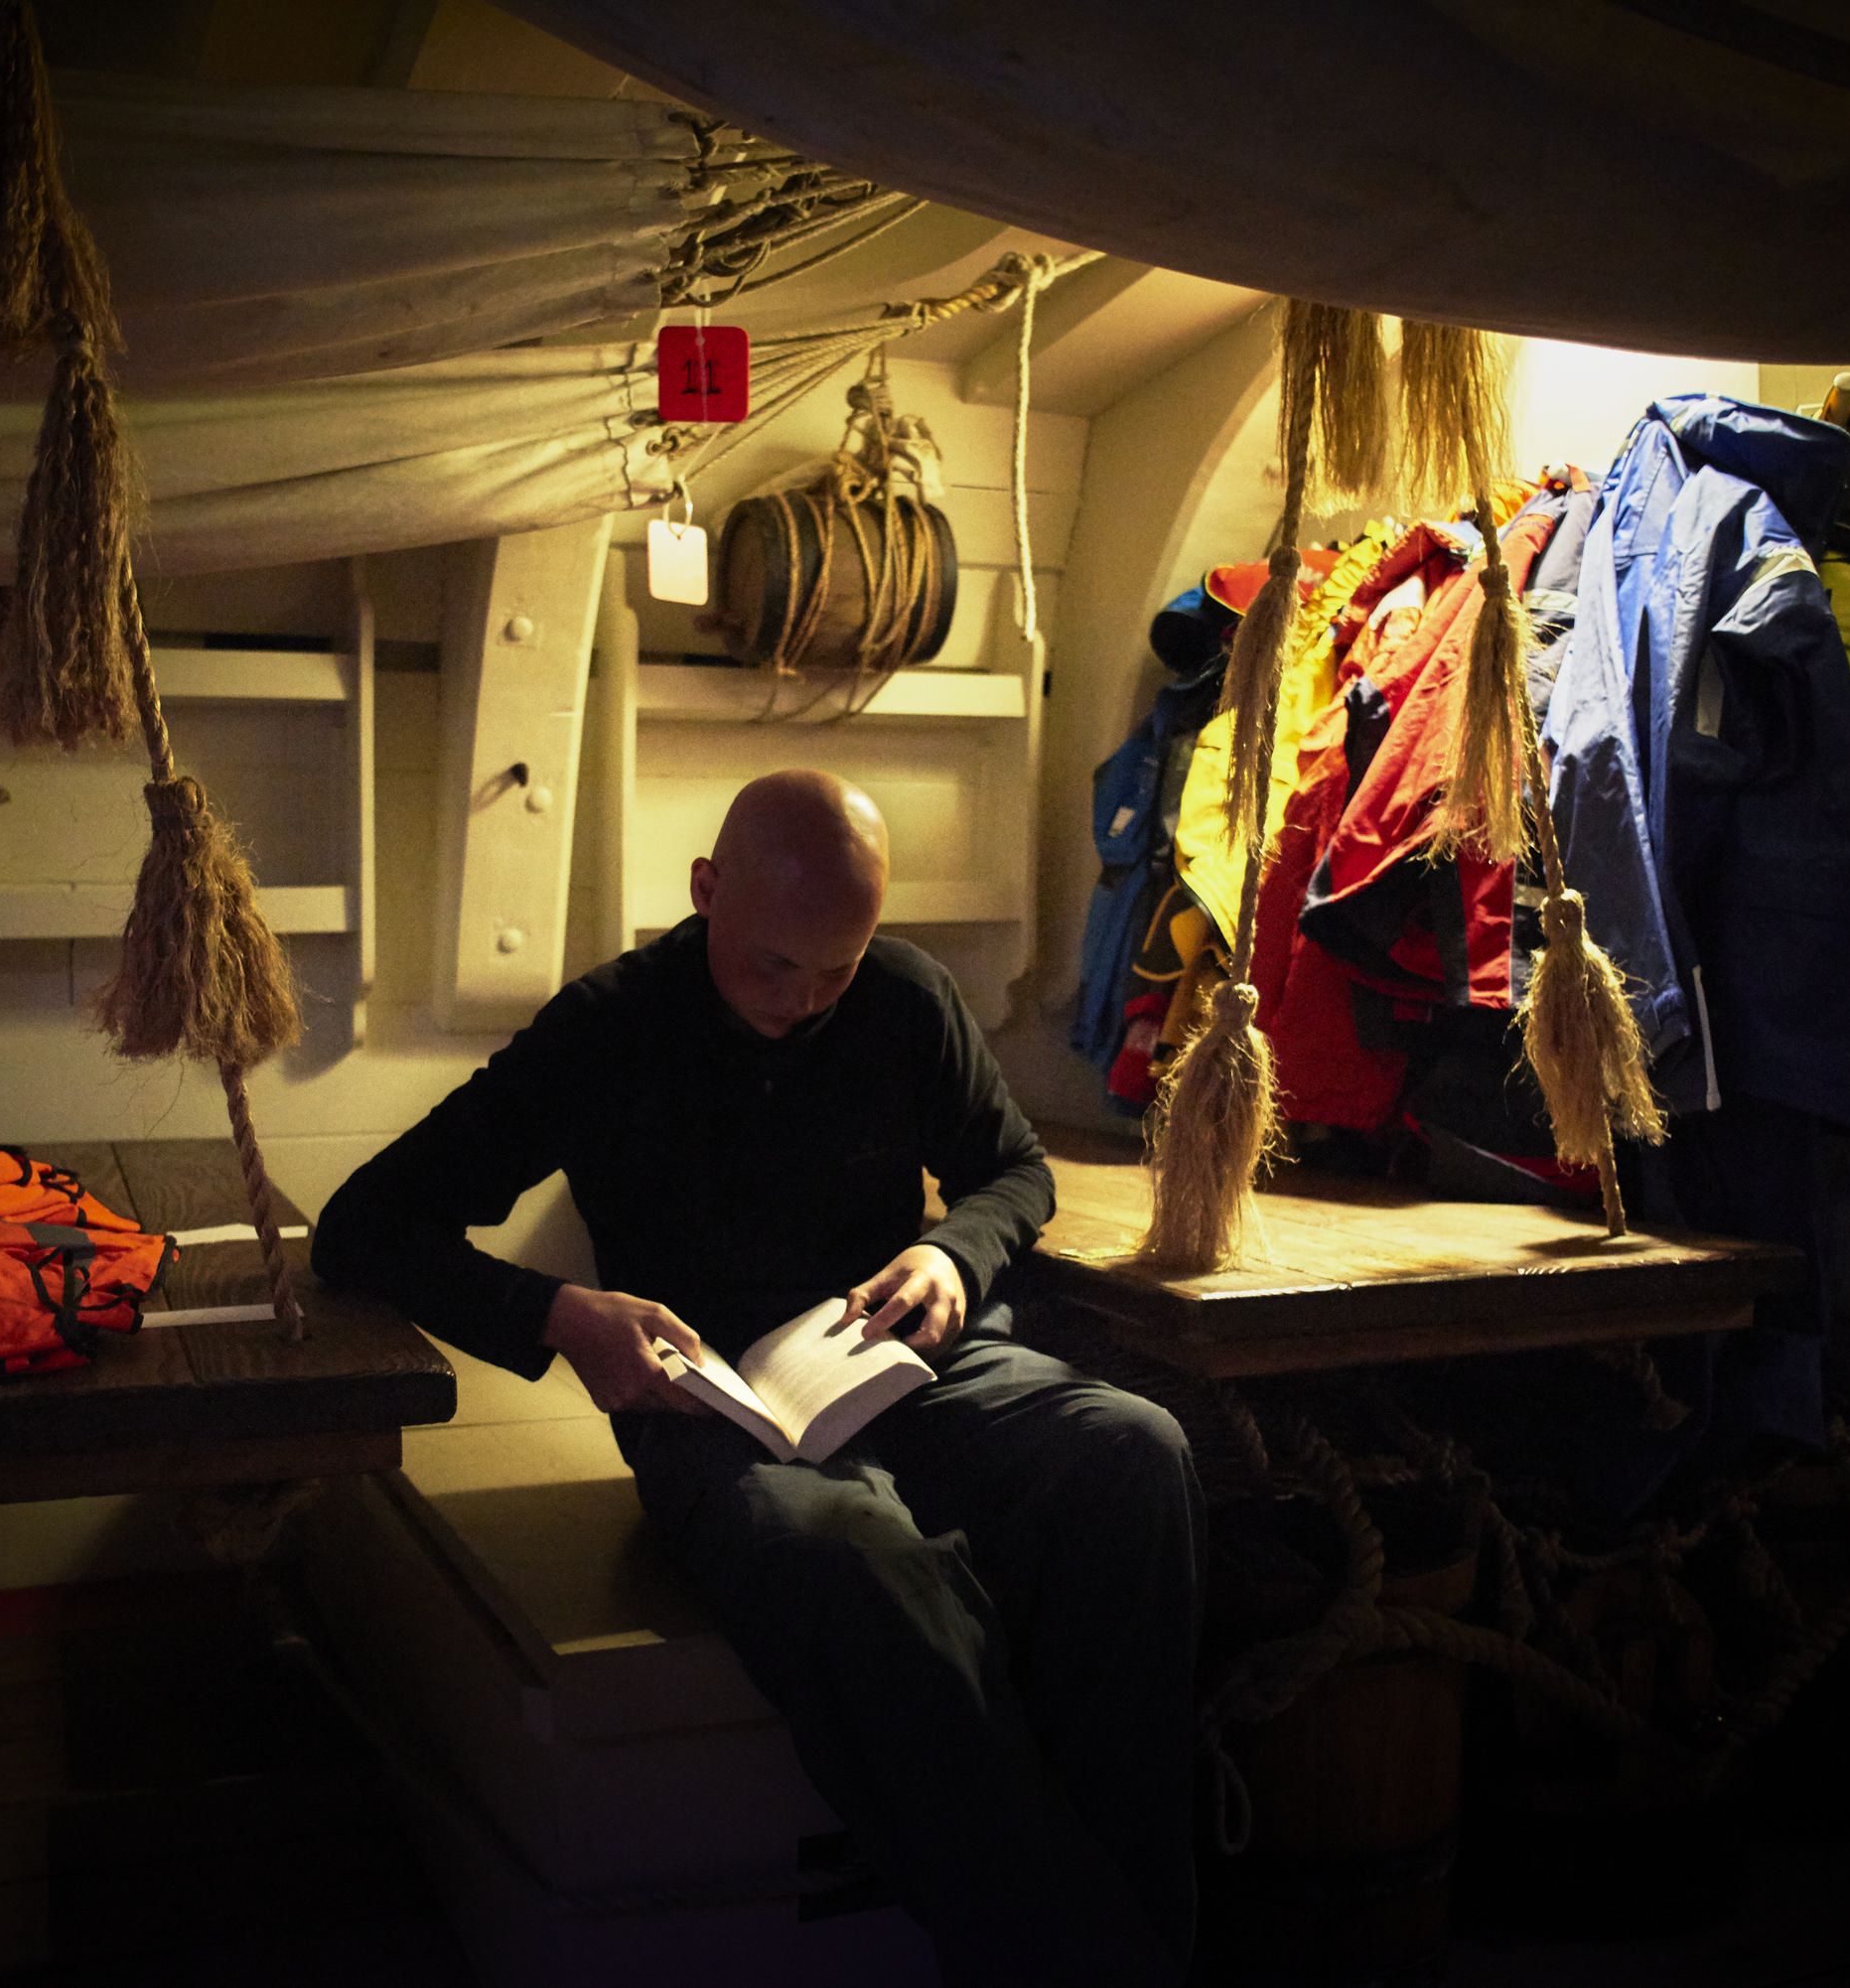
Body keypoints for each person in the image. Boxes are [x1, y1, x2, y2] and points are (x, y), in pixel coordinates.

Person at [315, 768, 1202, 1985]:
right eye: (775, 965)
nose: (805, 1000)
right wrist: (563, 1313)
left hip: (903, 1357)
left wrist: (955, 1251)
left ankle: (1136, 1917)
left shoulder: (903, 997)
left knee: (1133, 1450)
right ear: (706, 892)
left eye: (838, 966)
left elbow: (1014, 1173)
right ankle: (1085, 1958)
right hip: (707, 1397)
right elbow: (365, 1226)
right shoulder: (609, 1028)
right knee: (851, 1557)